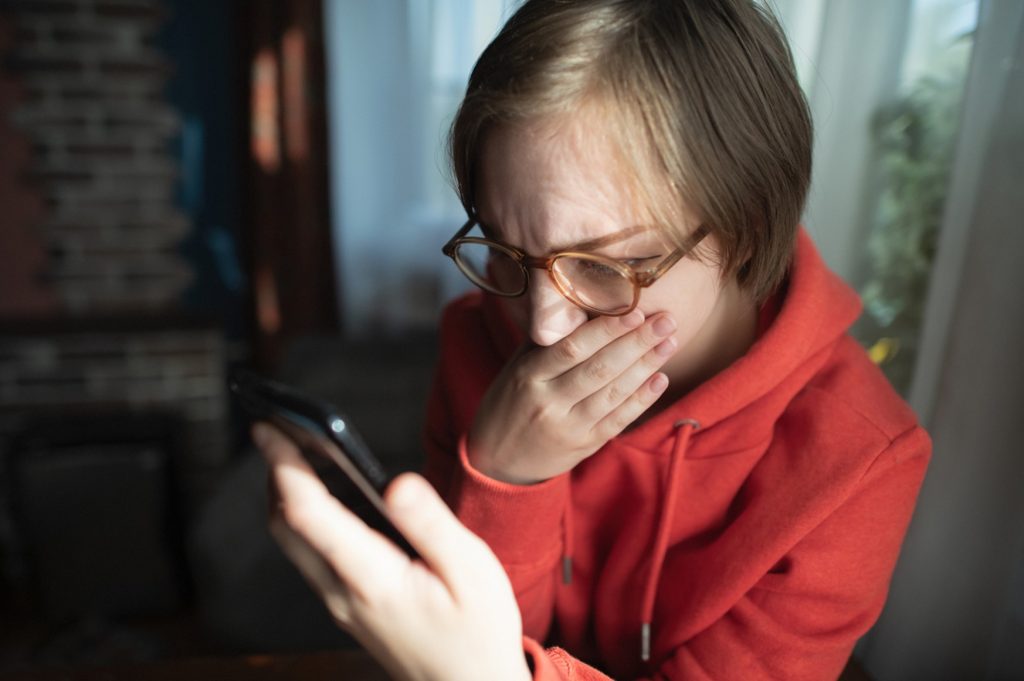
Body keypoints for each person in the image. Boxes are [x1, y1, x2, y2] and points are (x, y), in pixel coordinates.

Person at [254, 0, 932, 679]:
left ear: (746, 231)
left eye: (604, 268)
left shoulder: (861, 458)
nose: (542, 327)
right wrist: (506, 479)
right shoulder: (478, 338)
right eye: (506, 252)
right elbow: (490, 624)